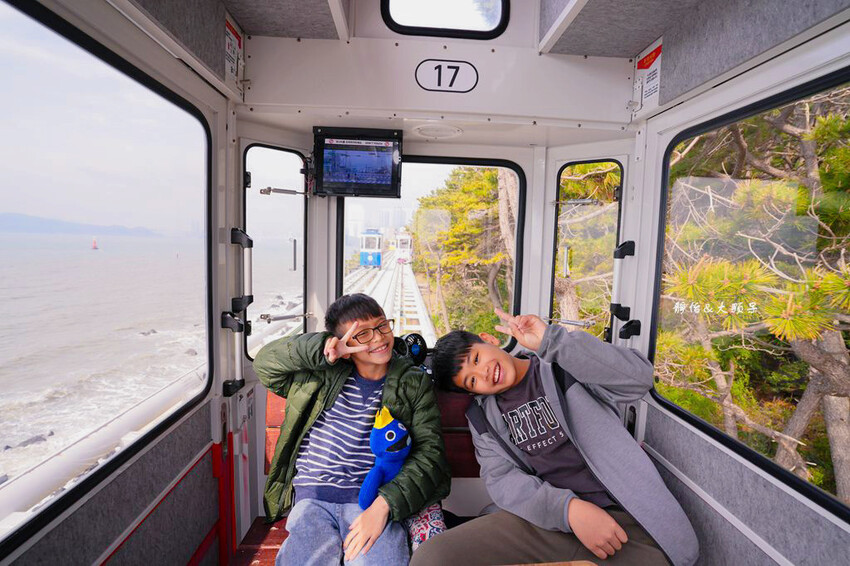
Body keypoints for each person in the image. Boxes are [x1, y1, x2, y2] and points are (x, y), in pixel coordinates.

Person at [412, 309, 698, 566]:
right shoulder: (483, 419)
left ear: (488, 339)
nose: (484, 373)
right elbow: (502, 480)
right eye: (472, 381)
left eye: (476, 358)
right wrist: (569, 510)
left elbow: (639, 378)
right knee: (431, 558)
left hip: (627, 515)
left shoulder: (563, 365)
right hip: (552, 521)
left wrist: (552, 341)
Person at [254, 293, 451, 565]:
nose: (379, 338)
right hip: (313, 498)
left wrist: (384, 506)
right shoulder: (320, 375)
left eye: (382, 326)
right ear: (343, 341)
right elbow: (265, 363)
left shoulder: (411, 382)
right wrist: (323, 348)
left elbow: (431, 455)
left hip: (371, 500)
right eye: (363, 335)